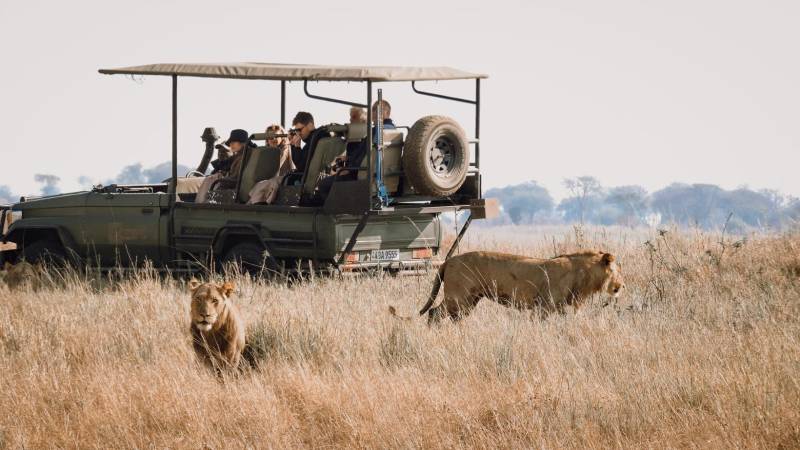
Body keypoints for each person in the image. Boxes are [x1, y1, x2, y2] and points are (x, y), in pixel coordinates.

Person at [314, 99, 396, 200]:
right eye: (373, 109)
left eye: (377, 109)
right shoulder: (392, 130)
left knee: (323, 184)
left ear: (387, 112)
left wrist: (349, 169)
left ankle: (337, 213)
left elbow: (365, 156)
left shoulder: (376, 131)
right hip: (378, 176)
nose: (373, 112)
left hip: (361, 175)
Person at [196, 129, 253, 203]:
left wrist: (223, 175)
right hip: (234, 184)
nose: (231, 145)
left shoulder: (243, 157)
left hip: (234, 185)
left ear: (242, 143)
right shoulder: (241, 156)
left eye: (233, 142)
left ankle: (200, 204)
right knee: (211, 178)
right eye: (231, 142)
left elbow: (236, 177)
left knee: (210, 179)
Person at [246, 124, 295, 205]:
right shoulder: (266, 151)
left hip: (284, 180)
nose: (273, 139)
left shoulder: (285, 148)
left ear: (282, 138)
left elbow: (275, 166)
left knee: (263, 184)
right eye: (270, 137)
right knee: (258, 183)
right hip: (272, 179)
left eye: (276, 136)